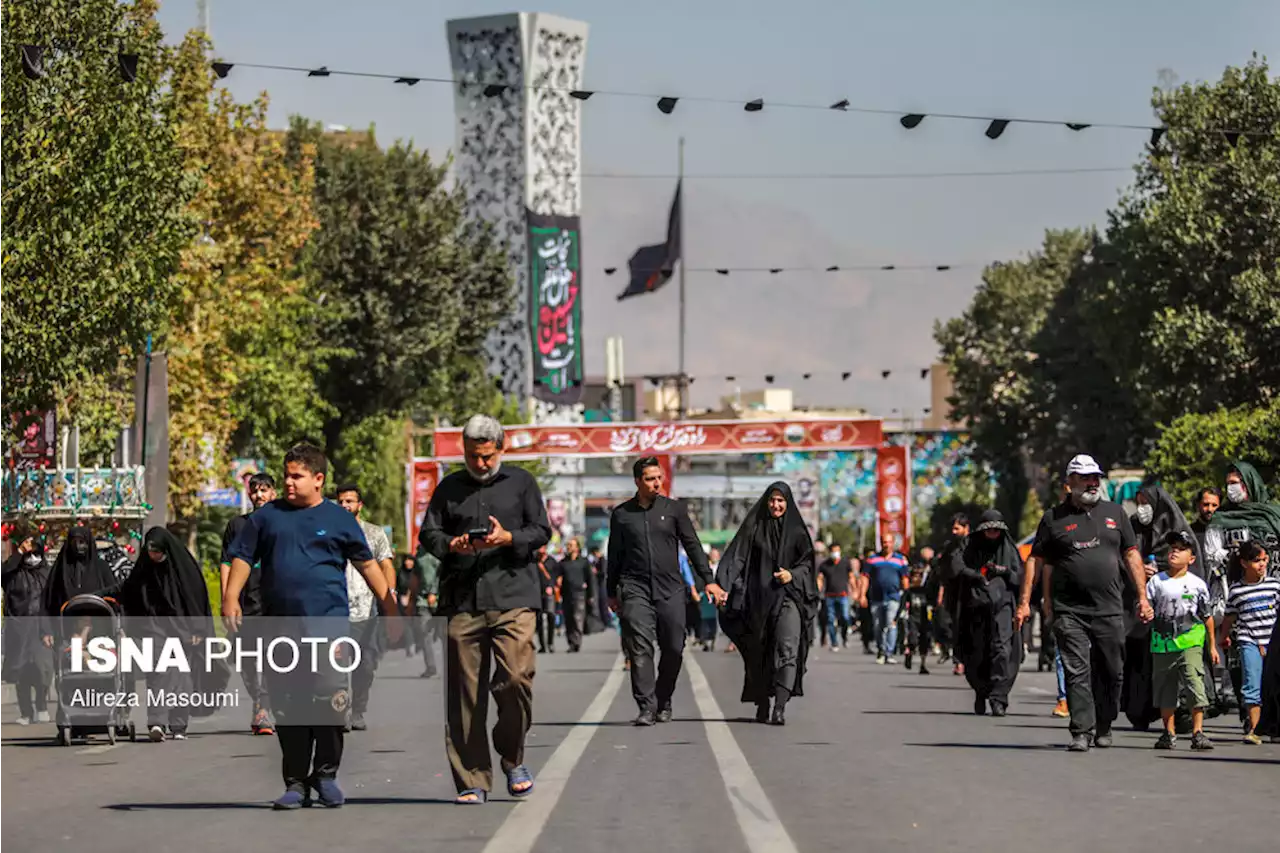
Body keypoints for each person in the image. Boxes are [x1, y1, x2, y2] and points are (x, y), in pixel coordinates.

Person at [224, 443, 399, 810]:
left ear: (318, 480)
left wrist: (390, 606)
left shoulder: (340, 520)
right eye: (286, 475)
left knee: (331, 703)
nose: (288, 482)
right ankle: (296, 783)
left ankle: (326, 775)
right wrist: (230, 598)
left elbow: (368, 565)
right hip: (281, 631)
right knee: (289, 706)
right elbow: (241, 558)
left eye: (296, 476)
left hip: (330, 628)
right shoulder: (266, 518)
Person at [419, 414, 550, 805]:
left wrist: (509, 537)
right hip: (463, 601)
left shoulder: (523, 484)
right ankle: (471, 777)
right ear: (464, 451)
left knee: (515, 680)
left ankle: (512, 757)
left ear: (502, 449)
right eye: (473, 457)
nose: (480, 464)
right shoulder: (449, 488)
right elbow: (429, 533)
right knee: (465, 693)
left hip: (513, 597)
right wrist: (452, 545)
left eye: (487, 457)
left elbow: (542, 530)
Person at [1017, 454, 1153, 753]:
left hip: (1109, 608)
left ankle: (1104, 724)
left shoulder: (1115, 513)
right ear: (1070, 483)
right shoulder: (1053, 518)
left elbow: (1131, 555)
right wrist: (1025, 602)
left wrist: (1143, 596)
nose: (1093, 482)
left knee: (1112, 670)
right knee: (1076, 670)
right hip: (1070, 611)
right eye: (1086, 477)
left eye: (1096, 477)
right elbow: (1036, 560)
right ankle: (1081, 730)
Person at [607, 456, 724, 726]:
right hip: (634, 588)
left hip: (670, 588)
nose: (657, 483)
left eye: (659, 477)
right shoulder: (622, 515)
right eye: (650, 479)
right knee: (639, 647)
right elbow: (614, 556)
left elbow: (693, 546)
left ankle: (664, 697)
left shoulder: (674, 510)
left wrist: (709, 579)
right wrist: (611, 592)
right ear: (637, 482)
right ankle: (646, 707)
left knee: (673, 647)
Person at [716, 482, 818, 725]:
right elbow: (737, 556)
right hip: (758, 600)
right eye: (772, 500)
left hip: (789, 598)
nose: (776, 505)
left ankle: (780, 706)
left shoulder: (797, 532)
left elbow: (807, 564)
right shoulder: (754, 527)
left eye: (781, 500)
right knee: (759, 651)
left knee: (787, 650)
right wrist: (722, 585)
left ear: (788, 502)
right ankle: (763, 701)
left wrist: (792, 574)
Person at [1123, 484, 1204, 732]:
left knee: (1179, 666)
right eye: (1138, 502)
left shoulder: (1177, 531)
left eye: (1146, 502)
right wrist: (1137, 572)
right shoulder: (1133, 527)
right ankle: (1141, 711)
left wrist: (1161, 570)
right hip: (1140, 611)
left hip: (1176, 613)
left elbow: (1192, 564)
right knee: (1140, 661)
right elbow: (1122, 557)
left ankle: (1181, 716)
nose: (1142, 508)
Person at [120, 528, 213, 742]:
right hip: (154, 628)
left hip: (183, 629)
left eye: (157, 550)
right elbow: (128, 591)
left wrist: (198, 629)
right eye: (150, 550)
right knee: (159, 671)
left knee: (182, 675)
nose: (153, 555)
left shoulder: (184, 569)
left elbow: (196, 598)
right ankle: (157, 722)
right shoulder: (144, 568)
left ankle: (179, 723)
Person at [1146, 531, 1217, 751]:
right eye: (1172, 548)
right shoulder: (1156, 582)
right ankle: (1169, 732)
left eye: (1181, 549)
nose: (1175, 551)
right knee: (1165, 689)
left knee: (1194, 684)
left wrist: (1212, 646)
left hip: (1190, 641)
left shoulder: (1197, 584)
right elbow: (1146, 607)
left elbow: (1207, 617)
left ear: (1192, 558)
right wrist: (1145, 612)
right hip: (1163, 642)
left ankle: (1198, 732)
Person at [219, 472, 277, 735]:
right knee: (246, 660)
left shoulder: (281, 522)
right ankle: (258, 701)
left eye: (264, 490)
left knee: (270, 657)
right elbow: (227, 563)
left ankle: (263, 705)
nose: (259, 495)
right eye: (255, 490)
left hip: (273, 603)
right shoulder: (237, 525)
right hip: (245, 604)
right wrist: (227, 600)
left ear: (273, 493)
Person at [335, 484, 396, 732]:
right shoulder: (329, 532)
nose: (345, 506)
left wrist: (389, 597)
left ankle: (358, 709)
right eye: (340, 501)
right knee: (336, 666)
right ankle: (339, 711)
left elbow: (386, 566)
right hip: (336, 609)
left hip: (366, 609)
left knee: (365, 665)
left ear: (359, 505)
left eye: (349, 501)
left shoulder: (373, 533)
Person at [953, 510, 1023, 716]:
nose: (992, 533)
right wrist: (975, 575)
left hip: (1003, 607)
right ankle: (981, 691)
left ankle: (999, 697)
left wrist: (1004, 571)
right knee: (977, 652)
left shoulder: (1009, 549)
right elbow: (956, 567)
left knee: (1002, 650)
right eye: (988, 530)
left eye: (996, 530)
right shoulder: (969, 546)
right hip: (975, 608)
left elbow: (1020, 575)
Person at [1220, 541, 1279, 744]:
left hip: (1273, 643)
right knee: (1252, 685)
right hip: (1249, 641)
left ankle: (1273, 726)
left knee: (1273, 685)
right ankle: (1255, 729)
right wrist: (1223, 637)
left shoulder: (1274, 585)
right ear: (1244, 563)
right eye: (1256, 561)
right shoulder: (1237, 591)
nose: (1262, 564)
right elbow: (1229, 617)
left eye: (1264, 560)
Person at [0, 522, 53, 724]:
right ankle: (25, 712)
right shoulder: (13, 575)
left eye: (35, 554)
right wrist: (19, 552)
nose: (32, 558)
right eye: (27, 555)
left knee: (42, 670)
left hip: (42, 630)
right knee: (20, 671)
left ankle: (41, 706)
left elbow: (51, 603)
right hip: (19, 629)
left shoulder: (46, 574)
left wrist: (49, 630)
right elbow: (2, 572)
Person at [862, 535, 911, 665]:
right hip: (876, 598)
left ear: (893, 543)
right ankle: (881, 650)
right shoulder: (872, 560)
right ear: (880, 543)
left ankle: (889, 652)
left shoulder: (900, 560)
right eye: (884, 542)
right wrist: (861, 595)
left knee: (891, 624)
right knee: (878, 626)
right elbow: (865, 578)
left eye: (889, 542)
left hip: (893, 597)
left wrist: (907, 597)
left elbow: (905, 579)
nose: (886, 545)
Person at [407, 550, 443, 678]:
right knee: (424, 633)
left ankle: (453, 666)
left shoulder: (440, 551)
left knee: (446, 635)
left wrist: (434, 591)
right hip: (422, 600)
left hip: (441, 599)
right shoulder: (419, 555)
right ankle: (431, 667)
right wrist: (411, 599)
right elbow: (415, 578)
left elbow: (442, 574)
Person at [817, 544, 855, 651]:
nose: (835, 553)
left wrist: (855, 590)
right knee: (830, 619)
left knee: (845, 617)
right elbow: (820, 578)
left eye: (837, 551)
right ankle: (834, 643)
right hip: (829, 596)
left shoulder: (845, 563)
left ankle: (844, 637)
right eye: (833, 551)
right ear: (830, 552)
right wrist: (818, 589)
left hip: (843, 595)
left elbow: (851, 577)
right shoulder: (824, 565)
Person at [557, 538, 590, 653]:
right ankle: (571, 642)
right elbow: (557, 576)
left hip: (579, 594)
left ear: (577, 547)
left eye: (571, 545)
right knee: (568, 619)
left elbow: (590, 579)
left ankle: (576, 642)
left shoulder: (583, 562)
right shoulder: (563, 563)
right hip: (566, 594)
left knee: (578, 618)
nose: (569, 547)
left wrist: (591, 595)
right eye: (568, 545)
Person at [901, 566, 932, 675]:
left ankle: (923, 665)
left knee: (925, 641)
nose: (917, 579)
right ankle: (909, 653)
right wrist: (898, 617)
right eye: (914, 577)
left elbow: (932, 602)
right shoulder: (909, 591)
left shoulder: (926, 591)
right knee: (913, 640)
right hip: (913, 618)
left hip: (925, 619)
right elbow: (902, 605)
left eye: (919, 577)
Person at [536, 546, 560, 654]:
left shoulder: (552, 561)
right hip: (537, 593)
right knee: (539, 619)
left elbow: (556, 575)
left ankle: (550, 643)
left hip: (549, 592)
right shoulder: (534, 561)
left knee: (551, 616)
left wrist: (551, 586)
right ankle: (542, 645)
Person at [1190, 487, 1221, 557]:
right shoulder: (1190, 532)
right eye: (1206, 505)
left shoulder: (1225, 532)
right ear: (1198, 505)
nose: (1210, 509)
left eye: (1214, 505)